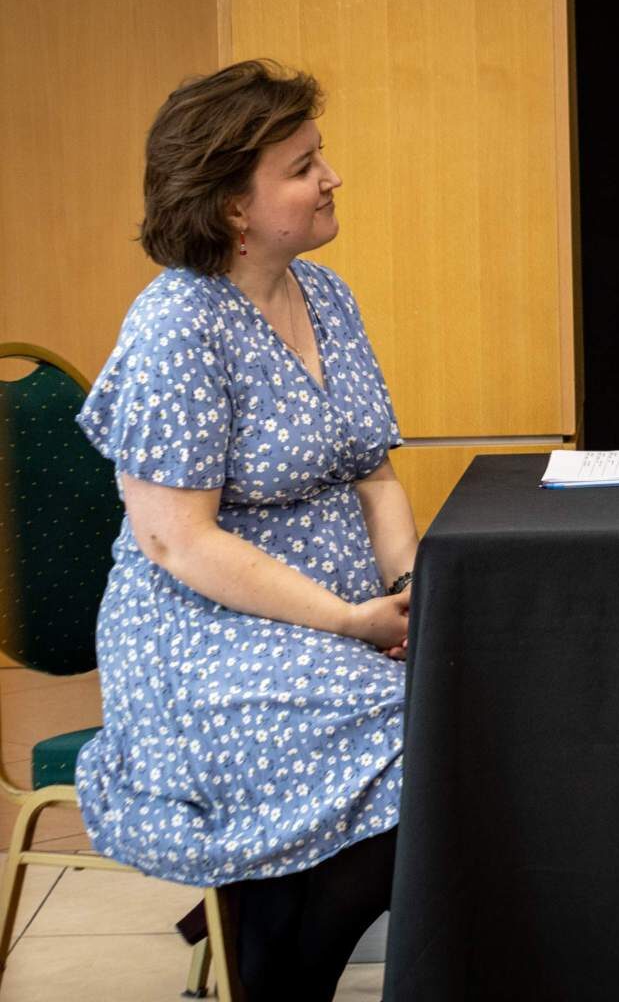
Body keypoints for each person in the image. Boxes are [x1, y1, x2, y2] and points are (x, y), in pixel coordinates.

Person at [75, 59, 413, 1001]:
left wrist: (407, 589)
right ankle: (273, 961)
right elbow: (178, 542)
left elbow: (376, 475)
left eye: (320, 155)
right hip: (203, 642)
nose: (332, 177)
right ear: (233, 206)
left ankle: (271, 941)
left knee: (473, 703)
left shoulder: (326, 294)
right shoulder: (177, 325)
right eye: (303, 167)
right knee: (417, 738)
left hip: (337, 623)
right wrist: (350, 622)